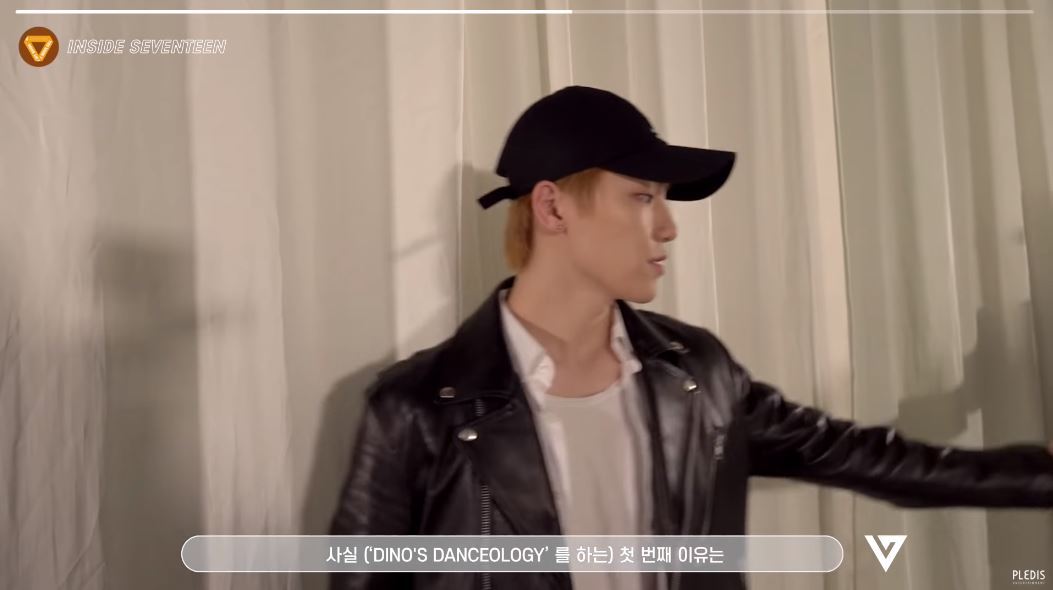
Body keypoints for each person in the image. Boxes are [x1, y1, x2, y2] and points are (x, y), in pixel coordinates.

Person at [328, 85, 1053, 590]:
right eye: (642, 197)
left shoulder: (696, 375)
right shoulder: (415, 408)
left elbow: (873, 460)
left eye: (665, 200)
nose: (668, 227)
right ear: (552, 208)